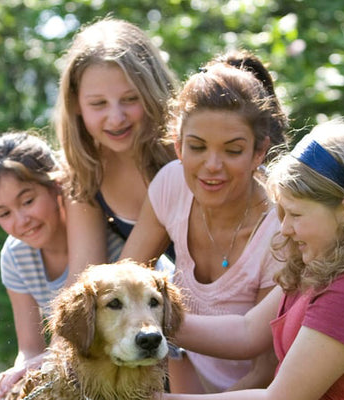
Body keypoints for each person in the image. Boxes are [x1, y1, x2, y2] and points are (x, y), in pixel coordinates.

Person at [162, 118, 344, 399]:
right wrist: (152, 322)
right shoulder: (322, 263)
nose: (286, 229)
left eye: (296, 214)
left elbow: (280, 398)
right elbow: (247, 332)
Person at [120, 50, 290, 393]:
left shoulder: (284, 225)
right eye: (197, 147)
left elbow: (265, 366)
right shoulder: (171, 183)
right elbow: (123, 279)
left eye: (232, 150)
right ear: (179, 145)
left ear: (259, 153)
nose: (212, 165)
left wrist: (151, 322)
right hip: (187, 377)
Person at [0, 131, 125, 399]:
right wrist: (15, 378)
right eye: (5, 213)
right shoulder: (15, 256)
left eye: (28, 201)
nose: (21, 221)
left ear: (56, 186)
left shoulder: (105, 238)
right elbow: (30, 349)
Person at [54, 17, 178, 287]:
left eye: (130, 99)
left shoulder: (184, 150)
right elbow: (84, 278)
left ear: (153, 92)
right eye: (98, 104)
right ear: (75, 104)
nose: (116, 118)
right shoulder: (85, 171)